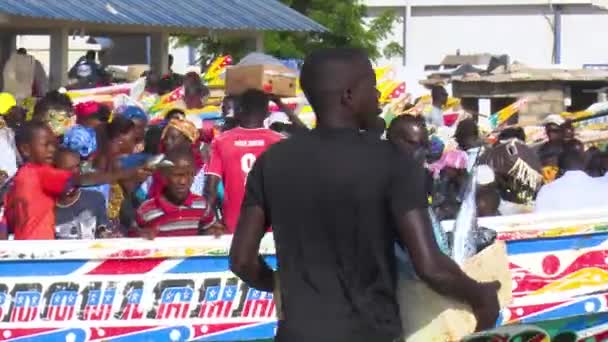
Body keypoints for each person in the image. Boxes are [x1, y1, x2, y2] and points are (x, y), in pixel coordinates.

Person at [229, 48, 499, 342]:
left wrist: (280, 285)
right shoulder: (393, 162)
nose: (378, 97)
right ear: (348, 96)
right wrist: (480, 295)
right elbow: (431, 267)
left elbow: (242, 261)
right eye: (371, 86)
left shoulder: (271, 161)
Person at [4, 121, 149, 240]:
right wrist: (128, 173)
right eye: (46, 145)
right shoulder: (39, 173)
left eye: (54, 144)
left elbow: (7, 219)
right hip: (40, 249)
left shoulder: (19, 179)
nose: (52, 149)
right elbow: (79, 180)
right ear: (26, 149)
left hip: (22, 247)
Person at [205, 89, 284, 233]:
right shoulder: (279, 141)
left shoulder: (221, 141)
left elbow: (211, 186)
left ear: (239, 111)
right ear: (267, 113)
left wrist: (207, 218)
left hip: (234, 227)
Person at [132, 147, 220, 238]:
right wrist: (141, 235)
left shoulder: (201, 205)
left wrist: (214, 231)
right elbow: (132, 236)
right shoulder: (147, 210)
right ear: (164, 176)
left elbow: (209, 228)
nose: (183, 181)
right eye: (178, 175)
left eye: (190, 175)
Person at [54, 148, 110, 239]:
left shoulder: (95, 199)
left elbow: (104, 232)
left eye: (77, 168)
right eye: (66, 170)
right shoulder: (46, 207)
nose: (73, 174)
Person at [535, 149, 607, 213]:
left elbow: (540, 219)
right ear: (584, 166)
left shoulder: (546, 191)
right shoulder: (603, 187)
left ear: (560, 170)